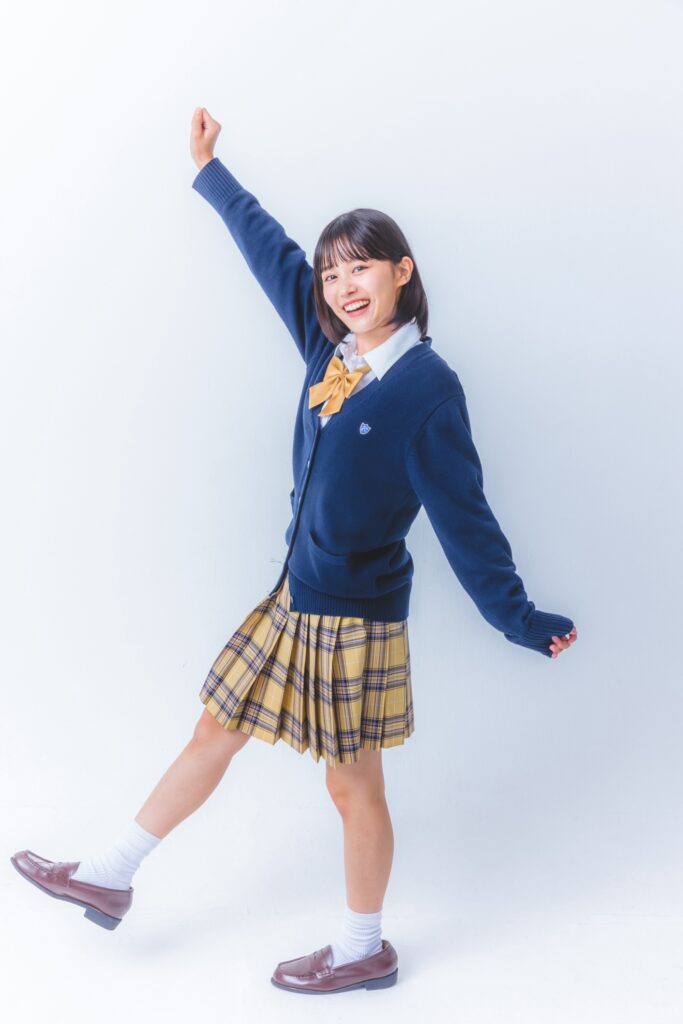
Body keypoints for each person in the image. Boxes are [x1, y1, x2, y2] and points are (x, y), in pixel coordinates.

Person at [10, 106, 578, 995]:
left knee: (352, 790)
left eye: (361, 267)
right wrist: (211, 170)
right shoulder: (327, 347)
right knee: (213, 729)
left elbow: (465, 518)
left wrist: (520, 618)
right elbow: (269, 252)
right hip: (291, 596)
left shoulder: (427, 388)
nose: (343, 284)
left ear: (402, 271)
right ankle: (110, 876)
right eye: (331, 271)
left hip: (353, 620)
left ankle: (362, 949)